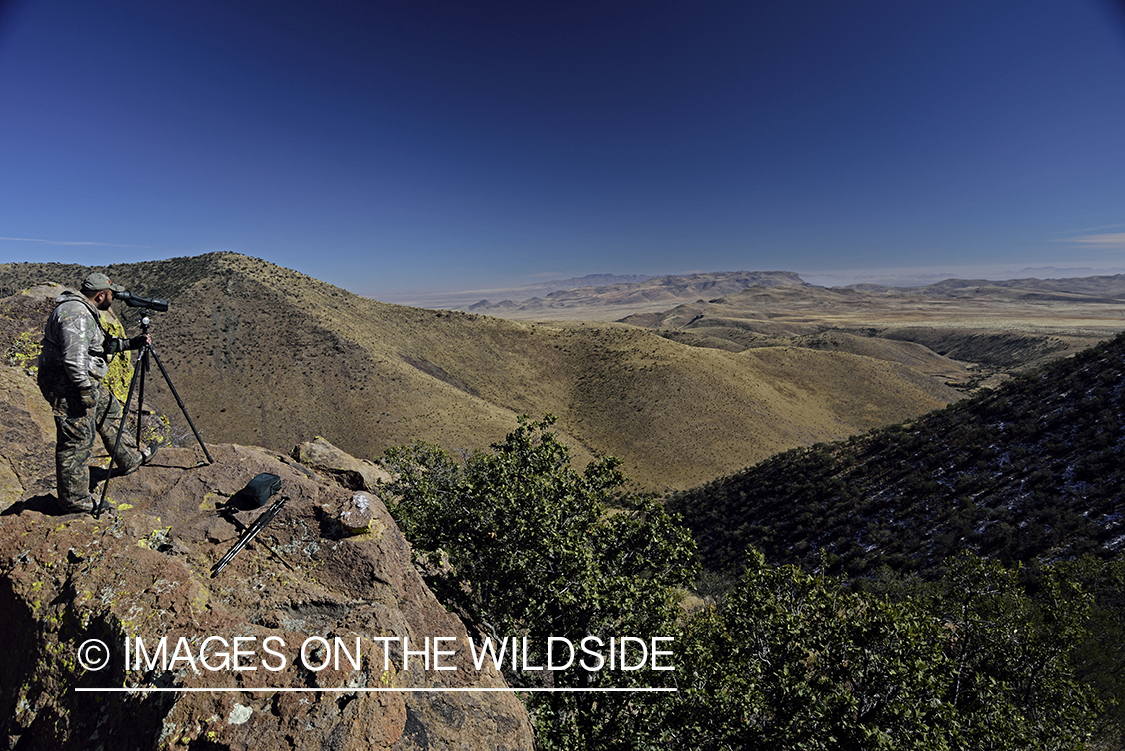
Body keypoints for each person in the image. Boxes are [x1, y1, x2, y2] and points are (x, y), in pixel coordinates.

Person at [37, 272, 158, 513]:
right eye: (111, 295)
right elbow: (73, 360)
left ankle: (127, 458)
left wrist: (131, 344)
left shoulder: (84, 310)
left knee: (109, 410)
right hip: (68, 384)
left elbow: (98, 344)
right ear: (101, 294)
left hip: (78, 380)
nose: (113, 299)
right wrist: (84, 389)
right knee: (77, 439)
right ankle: (75, 500)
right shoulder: (77, 314)